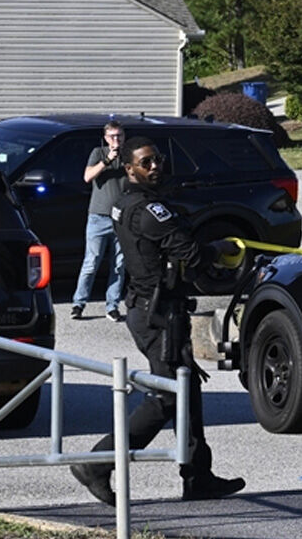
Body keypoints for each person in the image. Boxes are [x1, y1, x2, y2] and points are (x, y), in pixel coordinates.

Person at [70, 135, 246, 506]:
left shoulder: (129, 203)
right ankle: (97, 464)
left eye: (157, 160)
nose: (155, 167)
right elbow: (191, 253)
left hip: (160, 308)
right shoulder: (148, 211)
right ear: (129, 169)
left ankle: (198, 476)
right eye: (145, 163)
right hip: (156, 315)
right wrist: (219, 249)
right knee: (168, 396)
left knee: (187, 392)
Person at [71, 121, 127, 322]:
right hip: (98, 217)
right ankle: (79, 303)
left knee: (119, 265)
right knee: (91, 262)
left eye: (119, 136)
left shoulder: (129, 154)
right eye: (112, 136)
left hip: (121, 218)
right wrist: (108, 160)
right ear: (105, 138)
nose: (116, 140)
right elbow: (87, 177)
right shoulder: (98, 153)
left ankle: (112, 306)